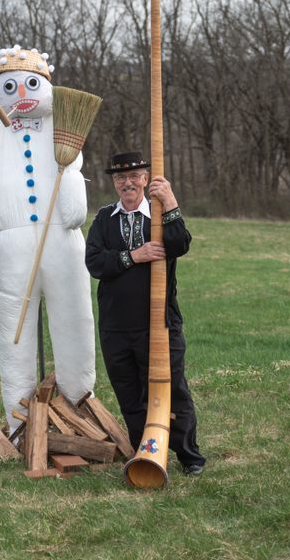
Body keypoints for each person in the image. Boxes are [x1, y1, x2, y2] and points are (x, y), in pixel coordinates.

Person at [0, 45, 96, 432]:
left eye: (31, 85)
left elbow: (72, 171)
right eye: (11, 86)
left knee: (73, 316)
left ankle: (80, 409)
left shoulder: (63, 129)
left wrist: (72, 209)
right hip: (13, 244)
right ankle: (19, 422)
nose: (22, 94)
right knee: (15, 328)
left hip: (62, 241)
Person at [84, 151, 206, 475]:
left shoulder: (159, 213)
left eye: (135, 176)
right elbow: (95, 262)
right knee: (130, 394)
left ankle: (189, 457)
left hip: (159, 323)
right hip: (116, 325)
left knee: (173, 390)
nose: (128, 183)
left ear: (146, 178)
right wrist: (134, 256)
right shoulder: (104, 219)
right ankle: (146, 454)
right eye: (120, 178)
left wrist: (170, 200)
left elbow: (180, 244)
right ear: (114, 182)